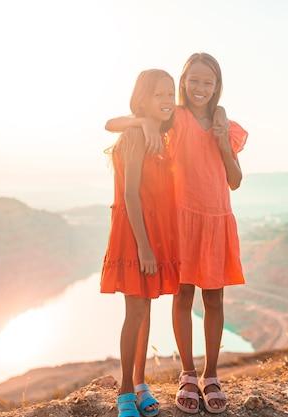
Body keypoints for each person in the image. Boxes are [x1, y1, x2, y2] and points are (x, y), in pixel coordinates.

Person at [105, 53, 247, 414]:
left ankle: (211, 374)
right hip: (180, 221)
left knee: (214, 300)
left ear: (217, 87)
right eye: (193, 81)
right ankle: (187, 373)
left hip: (215, 218)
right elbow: (114, 124)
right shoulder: (176, 118)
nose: (200, 88)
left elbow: (235, 180)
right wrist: (144, 123)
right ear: (184, 83)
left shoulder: (224, 125)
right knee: (182, 298)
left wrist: (222, 141)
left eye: (208, 82)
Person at [101, 69, 179, 417]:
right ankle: (124, 394)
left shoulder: (161, 131)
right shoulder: (135, 136)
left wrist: (146, 122)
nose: (167, 100)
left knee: (145, 306)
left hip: (154, 230)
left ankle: (141, 382)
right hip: (135, 232)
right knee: (134, 311)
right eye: (159, 94)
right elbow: (131, 195)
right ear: (143, 98)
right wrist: (145, 247)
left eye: (170, 94)